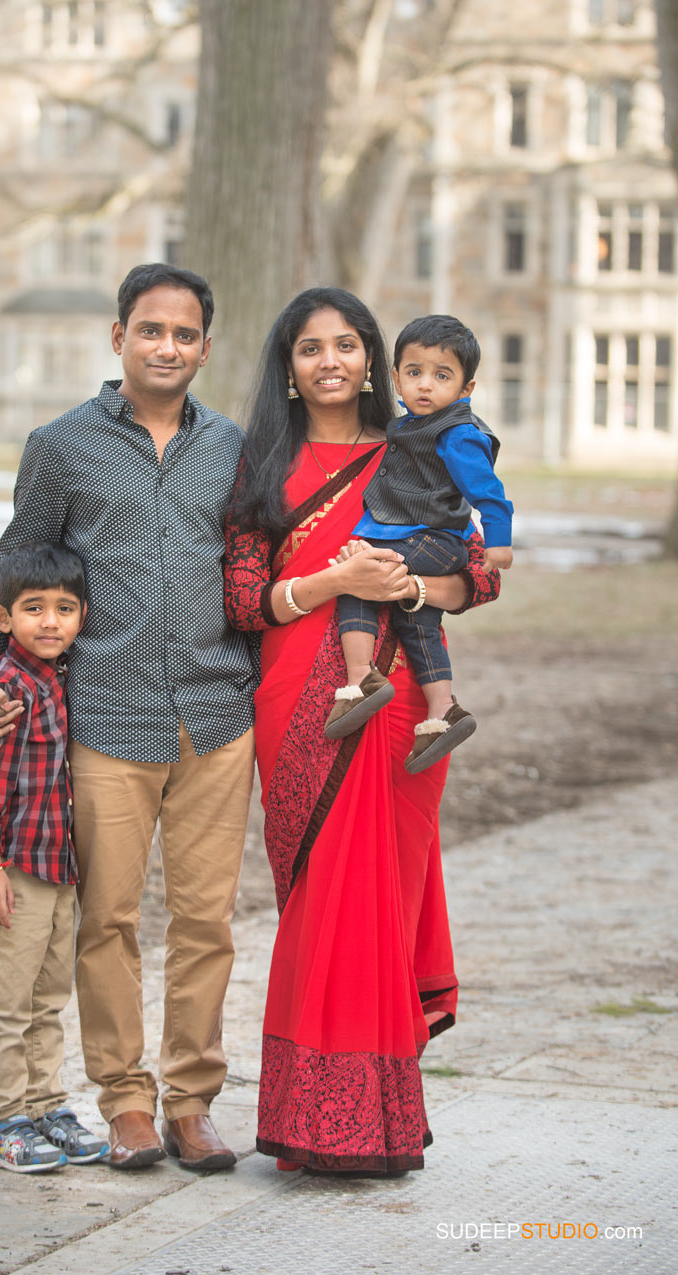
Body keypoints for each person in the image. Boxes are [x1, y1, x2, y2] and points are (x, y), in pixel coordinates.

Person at [0, 263, 256, 1172]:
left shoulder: (230, 446)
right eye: (151, 330)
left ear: (204, 345)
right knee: (107, 919)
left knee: (207, 923)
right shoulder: (63, 445)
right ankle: (124, 1101)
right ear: (118, 336)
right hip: (107, 720)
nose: (168, 347)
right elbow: (10, 568)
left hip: (215, 717)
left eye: (186, 333)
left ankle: (193, 1100)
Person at [224, 287, 500, 1175]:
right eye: (312, 347)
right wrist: (333, 581)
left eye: (348, 344)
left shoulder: (414, 444)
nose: (332, 360)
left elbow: (479, 577)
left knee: (387, 895)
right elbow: (242, 601)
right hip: (302, 707)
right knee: (325, 898)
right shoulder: (259, 466)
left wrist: (408, 590)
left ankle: (375, 1119)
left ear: (374, 358)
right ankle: (317, 1120)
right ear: (290, 365)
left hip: (403, 702)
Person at [0, 542, 110, 1172]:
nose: (51, 622)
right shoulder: (6, 689)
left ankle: (46, 1104)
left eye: (65, 609)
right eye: (34, 609)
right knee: (10, 1001)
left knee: (48, 999)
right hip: (11, 872)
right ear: (3, 618)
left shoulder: (62, 677)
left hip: (56, 869)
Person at [324, 314, 514, 773]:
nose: (425, 385)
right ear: (395, 378)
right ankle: (441, 711)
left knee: (360, 579)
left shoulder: (457, 433)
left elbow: (487, 491)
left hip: (432, 540)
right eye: (414, 373)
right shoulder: (409, 425)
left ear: (466, 389)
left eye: (441, 375)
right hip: (417, 537)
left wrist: (499, 542)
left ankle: (359, 680)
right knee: (419, 623)